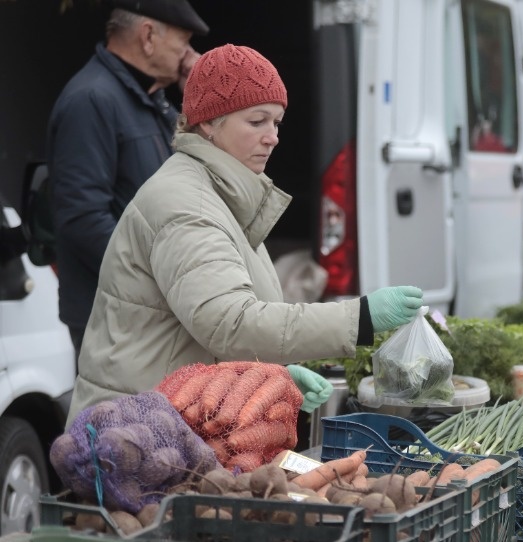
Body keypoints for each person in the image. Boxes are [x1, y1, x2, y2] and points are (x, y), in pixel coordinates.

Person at [65, 44, 424, 426]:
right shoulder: (188, 206)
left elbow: (205, 331)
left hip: (170, 422)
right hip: (136, 436)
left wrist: (270, 376)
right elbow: (230, 324)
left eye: (277, 122)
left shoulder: (221, 194)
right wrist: (360, 317)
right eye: (257, 121)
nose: (273, 137)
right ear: (208, 123)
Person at [47, 0, 209, 361]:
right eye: (183, 42)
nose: (189, 55)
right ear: (148, 36)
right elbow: (82, 218)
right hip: (116, 321)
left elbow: (198, 183)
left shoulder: (150, 100)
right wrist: (159, 280)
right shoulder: (92, 99)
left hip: (145, 316)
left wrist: (201, 96)